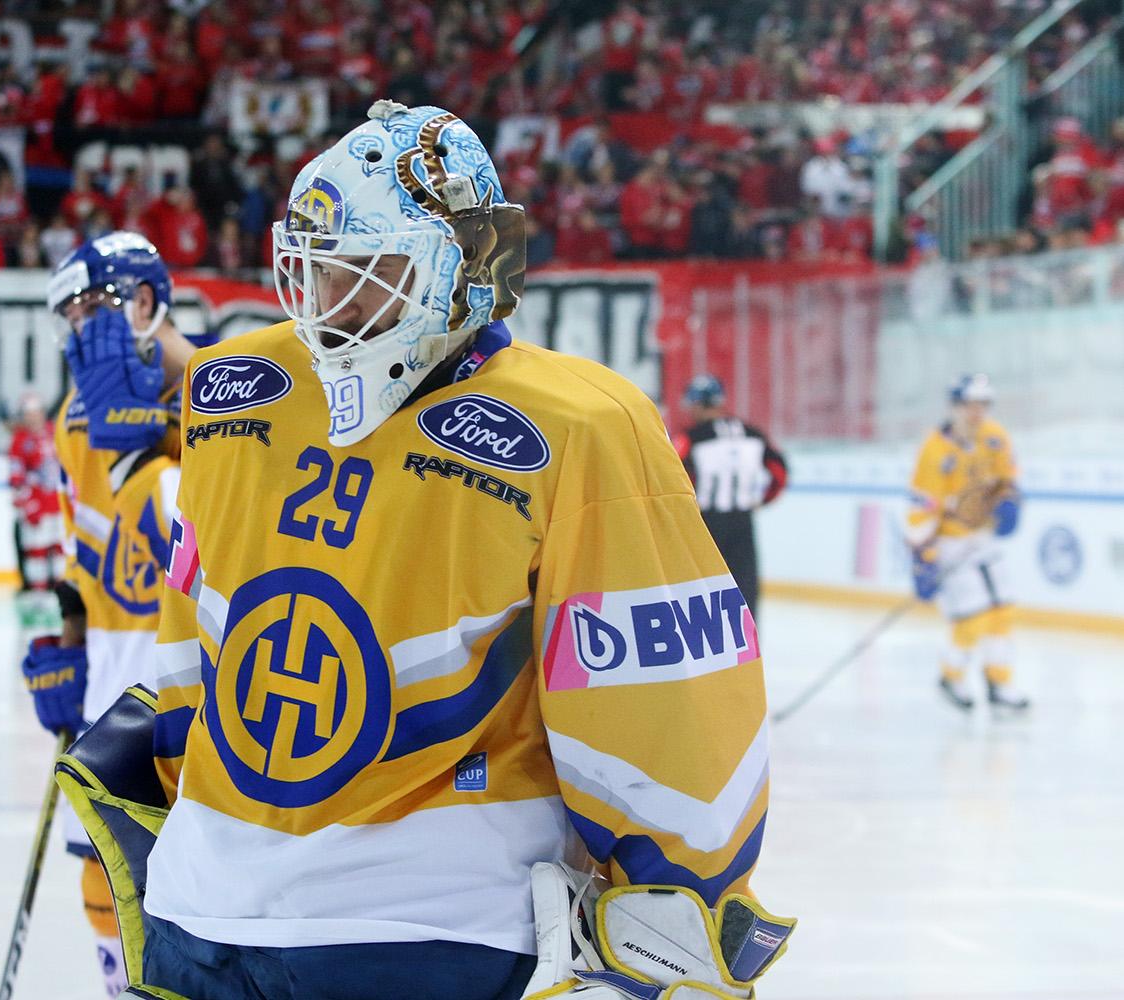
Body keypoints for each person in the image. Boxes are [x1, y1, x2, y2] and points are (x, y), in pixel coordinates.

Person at [67, 101, 793, 1000]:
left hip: (429, 933)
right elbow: (193, 626)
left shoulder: (580, 426)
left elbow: (661, 697)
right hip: (204, 911)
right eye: (313, 269)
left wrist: (680, 908)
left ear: (463, 267)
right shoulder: (234, 392)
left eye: (366, 271)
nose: (329, 304)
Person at [19, 232, 198, 995]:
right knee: (103, 876)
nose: (77, 333)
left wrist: (152, 440)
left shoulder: (221, 395)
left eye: (89, 310)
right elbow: (85, 551)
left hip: (195, 682)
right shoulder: (75, 419)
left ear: (145, 302)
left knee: (193, 886)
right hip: (110, 681)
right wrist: (71, 644)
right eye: (68, 318)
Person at [907, 374, 1028, 711]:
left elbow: (1008, 479)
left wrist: (1010, 501)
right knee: (972, 616)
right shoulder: (934, 450)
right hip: (951, 544)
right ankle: (952, 676)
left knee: (1003, 610)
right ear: (954, 407)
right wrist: (923, 557)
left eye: (983, 405)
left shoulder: (995, 437)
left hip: (983, 539)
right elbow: (921, 507)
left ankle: (999, 682)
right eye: (969, 405)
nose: (976, 412)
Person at [672, 373, 789, 621]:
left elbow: (670, 472)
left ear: (697, 403)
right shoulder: (752, 433)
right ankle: (748, 644)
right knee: (745, 589)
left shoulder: (691, 437)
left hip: (706, 523)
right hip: (742, 522)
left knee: (701, 590)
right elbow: (780, 473)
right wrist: (763, 500)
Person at [7, 391, 65, 598]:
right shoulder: (19, 440)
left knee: (60, 547)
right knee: (36, 549)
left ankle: (61, 589)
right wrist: (25, 504)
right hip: (36, 503)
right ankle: (37, 590)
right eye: (29, 414)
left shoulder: (55, 432)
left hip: (58, 502)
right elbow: (16, 476)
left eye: (36, 412)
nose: (33, 418)